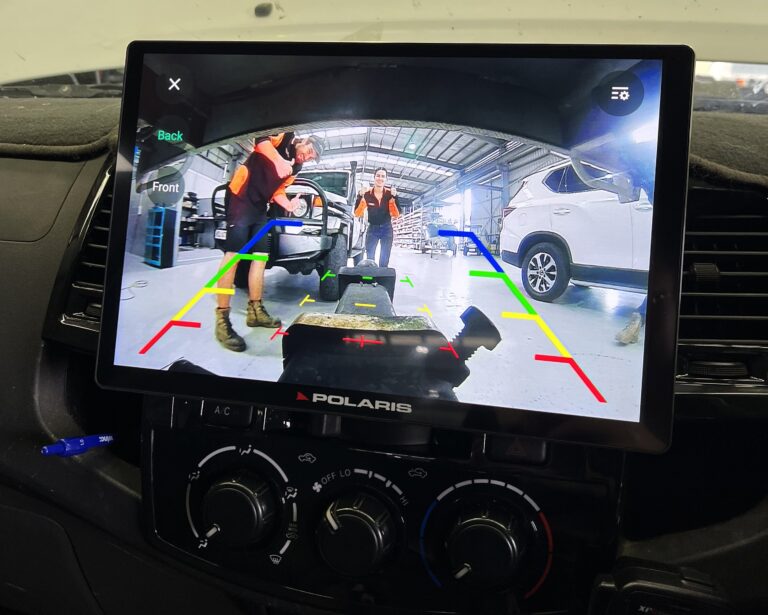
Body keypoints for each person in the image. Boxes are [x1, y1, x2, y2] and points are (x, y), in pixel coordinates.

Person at [214, 132, 325, 352]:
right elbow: (260, 140)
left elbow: (278, 191)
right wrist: (279, 161)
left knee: (261, 257)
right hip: (241, 196)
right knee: (233, 256)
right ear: (305, 141)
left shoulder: (297, 167)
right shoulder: (285, 135)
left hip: (259, 206)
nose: (307, 157)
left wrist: (288, 205)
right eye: (309, 151)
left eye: (312, 157)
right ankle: (222, 320)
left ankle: (255, 311)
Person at [354, 167, 400, 267]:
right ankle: (371, 276)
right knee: (370, 258)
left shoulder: (390, 194)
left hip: (387, 229)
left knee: (384, 259)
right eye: (378, 176)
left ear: (386, 179)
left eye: (383, 176)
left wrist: (395, 197)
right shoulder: (367, 194)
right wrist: (359, 196)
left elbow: (397, 214)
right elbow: (357, 213)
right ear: (374, 177)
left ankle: (382, 276)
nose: (380, 178)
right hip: (372, 229)